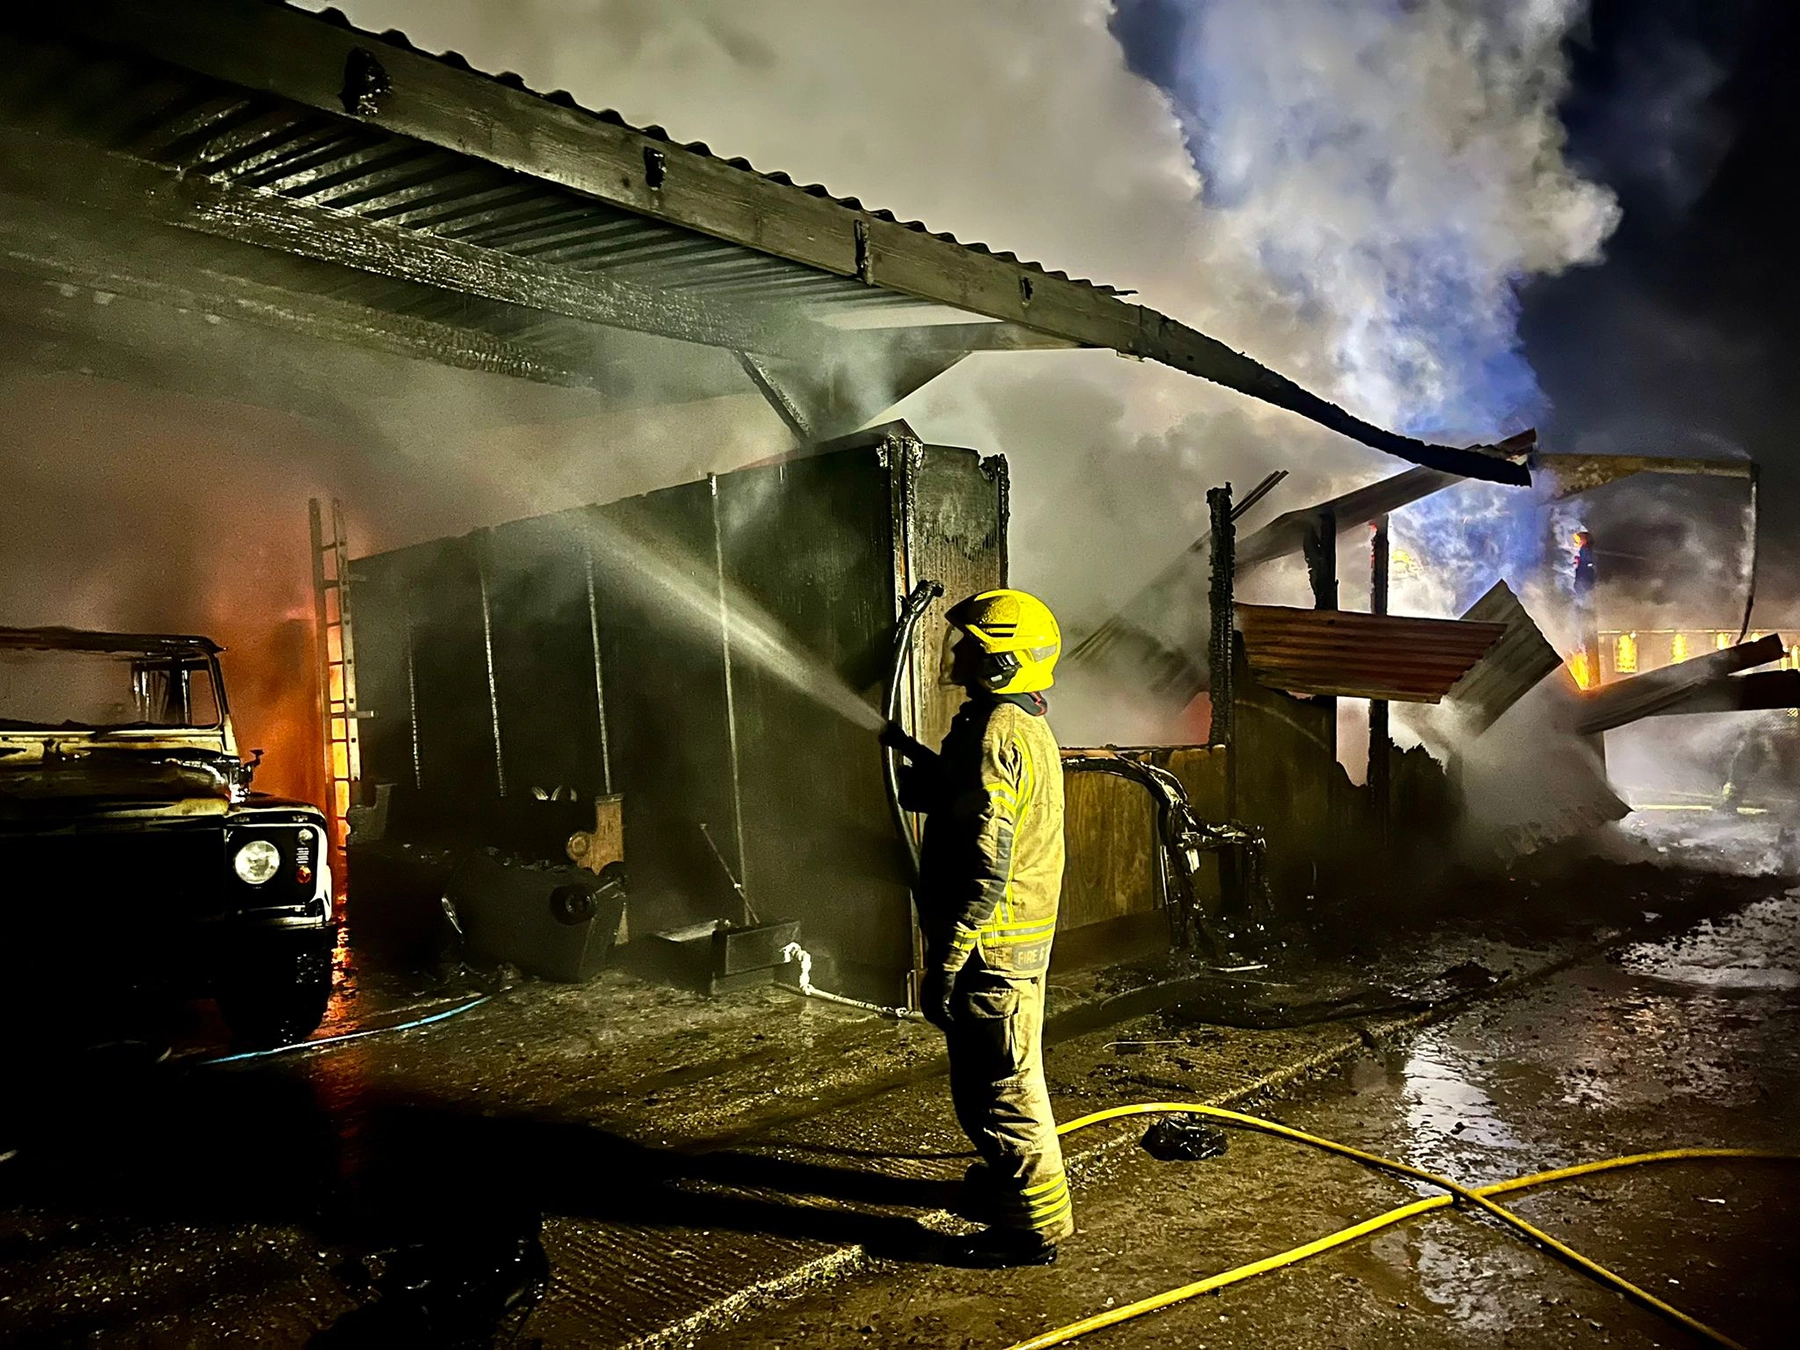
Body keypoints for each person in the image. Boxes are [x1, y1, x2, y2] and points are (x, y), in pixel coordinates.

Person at [885, 587, 1071, 1267]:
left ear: (1004, 662)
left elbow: (986, 863)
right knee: (986, 1084)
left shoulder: (997, 734)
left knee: (1006, 1091)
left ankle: (1032, 1235)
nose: (959, 656)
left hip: (993, 950)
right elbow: (978, 801)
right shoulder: (1011, 724)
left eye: (974, 647)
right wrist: (912, 756)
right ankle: (1005, 1191)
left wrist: (949, 957)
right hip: (1004, 945)